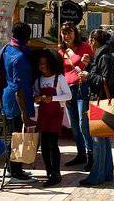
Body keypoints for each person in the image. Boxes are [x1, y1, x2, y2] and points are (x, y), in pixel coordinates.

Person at [78, 29, 114, 186]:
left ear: (94, 40)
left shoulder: (104, 57)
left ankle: (97, 175)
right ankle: (106, 173)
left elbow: (105, 80)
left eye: (90, 39)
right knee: (103, 138)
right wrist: (89, 67)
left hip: (100, 102)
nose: (89, 42)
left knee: (98, 140)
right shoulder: (102, 56)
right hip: (101, 101)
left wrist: (88, 75)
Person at [0, 22, 37, 183]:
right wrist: (25, 113)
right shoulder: (21, 58)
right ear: (28, 38)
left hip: (7, 98)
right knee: (19, 136)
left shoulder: (6, 49)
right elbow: (20, 89)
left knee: (13, 136)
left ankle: (13, 169)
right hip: (17, 102)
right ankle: (15, 173)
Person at [58, 22, 94, 170]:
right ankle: (81, 154)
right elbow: (60, 72)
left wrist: (89, 64)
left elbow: (94, 65)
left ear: (75, 33)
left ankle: (91, 155)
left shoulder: (84, 47)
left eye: (69, 32)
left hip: (81, 88)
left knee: (83, 123)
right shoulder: (61, 51)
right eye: (64, 33)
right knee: (74, 125)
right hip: (67, 91)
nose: (67, 36)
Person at [34, 49, 72, 187]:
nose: (42, 66)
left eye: (45, 63)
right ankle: (49, 172)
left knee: (53, 144)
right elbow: (35, 94)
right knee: (44, 145)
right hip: (43, 116)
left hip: (56, 115)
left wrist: (53, 98)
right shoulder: (38, 80)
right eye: (40, 64)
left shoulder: (59, 78)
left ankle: (56, 173)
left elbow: (68, 95)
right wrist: (37, 98)